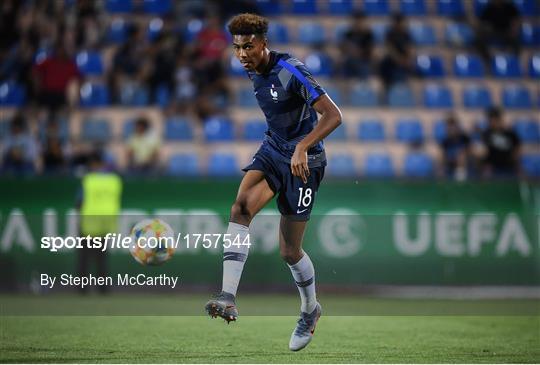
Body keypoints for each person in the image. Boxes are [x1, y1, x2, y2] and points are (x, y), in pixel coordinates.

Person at [204, 13, 342, 352]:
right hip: (274, 150)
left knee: (289, 251)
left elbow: (334, 115)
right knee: (240, 208)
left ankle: (311, 310)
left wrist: (303, 147)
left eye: (248, 47)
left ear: (264, 43)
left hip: (304, 163)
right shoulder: (253, 70)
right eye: (237, 48)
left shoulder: (291, 70)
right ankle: (228, 297)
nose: (242, 55)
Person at [76, 150, 122, 294]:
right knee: (102, 257)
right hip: (107, 221)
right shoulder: (114, 180)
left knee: (85, 257)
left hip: (90, 221)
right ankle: (103, 288)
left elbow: (79, 201)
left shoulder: (89, 180)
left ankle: (83, 288)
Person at [481, 106, 521, 178]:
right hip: (492, 166)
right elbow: (483, 151)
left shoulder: (510, 133)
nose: (492, 122)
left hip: (508, 165)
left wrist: (514, 159)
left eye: (495, 119)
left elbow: (517, 148)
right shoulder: (486, 133)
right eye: (490, 119)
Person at [340, 11, 374, 79]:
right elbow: (343, 47)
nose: (358, 23)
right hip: (350, 59)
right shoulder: (348, 34)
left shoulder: (368, 35)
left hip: (364, 59)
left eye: (360, 21)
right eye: (357, 21)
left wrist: (358, 52)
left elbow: (370, 49)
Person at [439, 114, 471, 181]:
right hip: (450, 160)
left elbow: (469, 150)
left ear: (457, 127)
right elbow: (443, 154)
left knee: (461, 156)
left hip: (464, 161)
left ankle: (461, 180)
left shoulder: (464, 138)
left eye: (453, 126)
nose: (451, 129)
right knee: (439, 157)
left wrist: (462, 153)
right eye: (449, 126)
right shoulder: (445, 141)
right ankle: (441, 180)